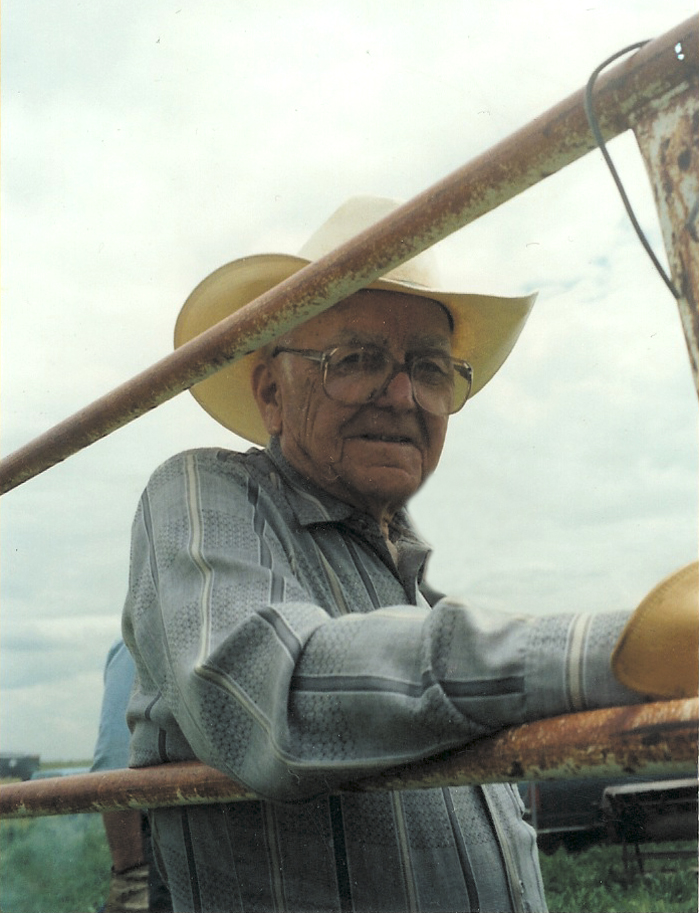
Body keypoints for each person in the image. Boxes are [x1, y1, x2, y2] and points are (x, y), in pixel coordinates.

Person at [122, 196, 693, 913]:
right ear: (271, 391)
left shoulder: (413, 591)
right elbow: (270, 695)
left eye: (429, 368)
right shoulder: (204, 494)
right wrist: (621, 651)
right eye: (356, 360)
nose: (402, 397)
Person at [92, 638, 172, 913]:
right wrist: (132, 880)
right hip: (168, 844)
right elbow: (115, 767)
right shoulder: (139, 640)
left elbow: (112, 760)